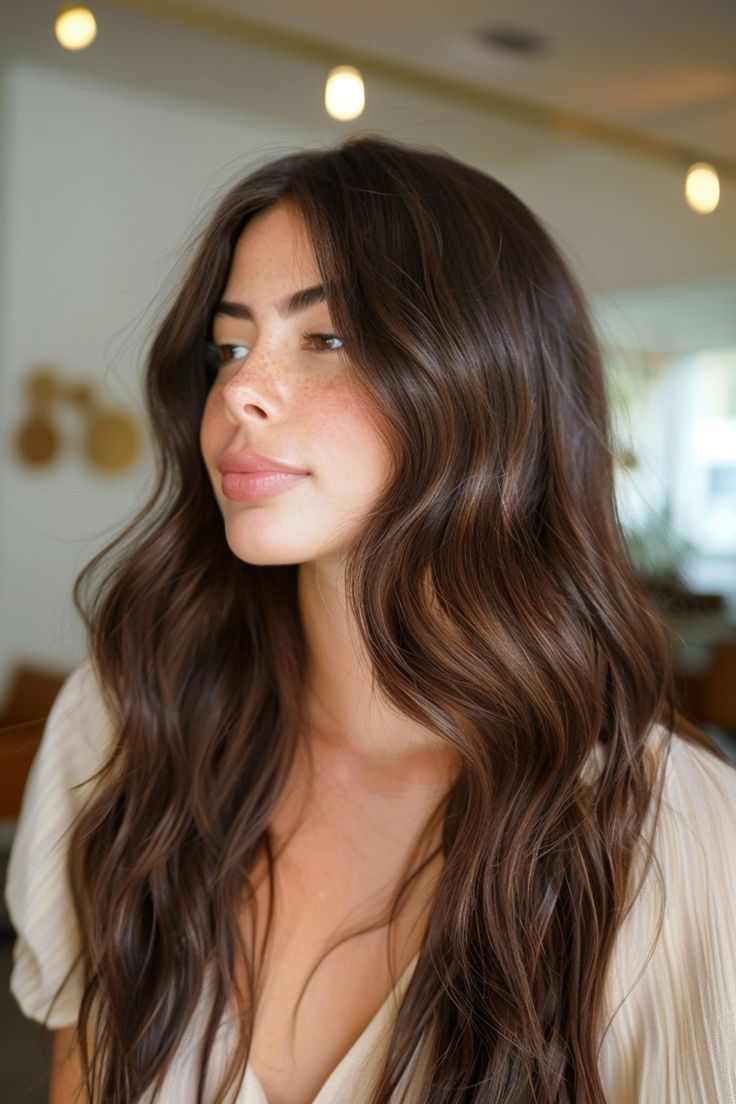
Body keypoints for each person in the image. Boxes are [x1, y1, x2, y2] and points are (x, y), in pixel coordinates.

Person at [5, 135, 736, 1104]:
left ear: (486, 382)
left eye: (327, 339)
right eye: (230, 346)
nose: (238, 391)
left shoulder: (676, 843)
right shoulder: (130, 722)